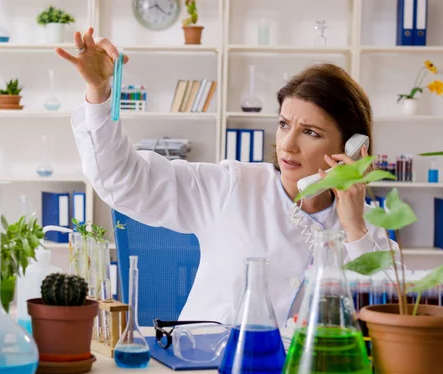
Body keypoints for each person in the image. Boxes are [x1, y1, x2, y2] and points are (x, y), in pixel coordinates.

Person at [57, 27, 397, 328]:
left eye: (309, 131)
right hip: (209, 370)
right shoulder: (232, 185)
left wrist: (354, 229)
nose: (287, 145)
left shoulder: (367, 227)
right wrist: (99, 92)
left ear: (352, 147)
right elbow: (123, 180)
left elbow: (389, 322)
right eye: (283, 125)